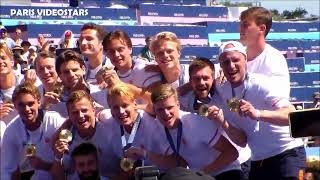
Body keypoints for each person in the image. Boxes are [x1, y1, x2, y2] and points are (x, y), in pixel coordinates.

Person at [215, 41, 305, 180]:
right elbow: (242, 141)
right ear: (220, 66)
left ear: (245, 60)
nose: (231, 66)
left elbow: (291, 114)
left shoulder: (261, 83)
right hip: (259, 161)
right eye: (226, 62)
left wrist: (257, 113)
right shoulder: (224, 90)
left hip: (287, 154)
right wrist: (223, 122)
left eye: (235, 60)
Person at [179, 57, 249, 180]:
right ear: (190, 81)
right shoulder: (187, 101)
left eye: (206, 78)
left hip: (236, 164)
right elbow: (166, 99)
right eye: (196, 79)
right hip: (208, 171)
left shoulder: (228, 99)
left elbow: (242, 140)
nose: (201, 83)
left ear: (213, 78)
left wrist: (222, 121)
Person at [151, 84, 239, 178]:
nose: (166, 113)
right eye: (160, 110)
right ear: (154, 110)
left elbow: (232, 152)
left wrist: (201, 174)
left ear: (178, 104)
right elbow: (180, 163)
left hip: (226, 172)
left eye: (169, 107)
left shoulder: (195, 123)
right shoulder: (158, 128)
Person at [1, 82, 65, 180]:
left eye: (30, 104)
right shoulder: (12, 130)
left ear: (38, 102)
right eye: (21, 105)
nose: (27, 109)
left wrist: (44, 165)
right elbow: (7, 169)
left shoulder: (55, 121)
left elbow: (69, 162)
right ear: (15, 106)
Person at [51, 90, 116, 179]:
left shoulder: (109, 125)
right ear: (69, 115)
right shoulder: (66, 138)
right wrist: (58, 157)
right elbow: (58, 177)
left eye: (84, 110)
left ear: (93, 109)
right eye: (75, 112)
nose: (80, 116)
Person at [239, 7, 290, 96]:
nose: (240, 30)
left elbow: (281, 97)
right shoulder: (234, 55)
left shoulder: (275, 59)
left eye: (245, 25)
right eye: (240, 25)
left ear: (262, 28)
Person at [43, 50, 107, 117]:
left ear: (83, 69)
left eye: (75, 70)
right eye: (66, 72)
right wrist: (44, 106)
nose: (71, 75)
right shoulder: (55, 101)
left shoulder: (99, 92)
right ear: (59, 75)